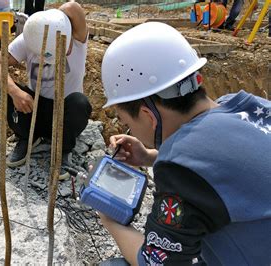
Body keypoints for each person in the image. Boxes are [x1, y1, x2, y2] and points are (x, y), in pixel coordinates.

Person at [99, 22, 271, 265]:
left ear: (149, 116)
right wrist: (149, 156)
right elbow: (228, 166)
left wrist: (109, 219)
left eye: (126, 120)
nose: (129, 128)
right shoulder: (248, 106)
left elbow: (154, 261)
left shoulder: (180, 170)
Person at [0, 2, 92, 180]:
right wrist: (15, 92)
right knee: (5, 91)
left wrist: (54, 20)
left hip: (65, 112)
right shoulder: (31, 37)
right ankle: (27, 137)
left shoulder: (78, 37)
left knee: (80, 103)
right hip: (35, 107)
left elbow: (73, 6)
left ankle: (63, 149)